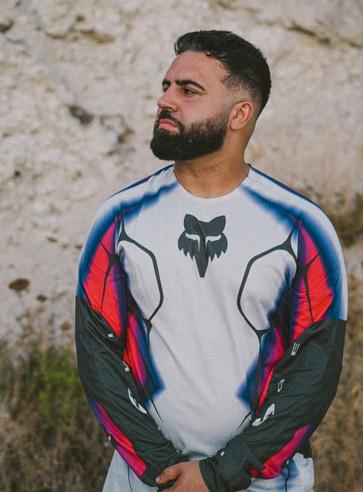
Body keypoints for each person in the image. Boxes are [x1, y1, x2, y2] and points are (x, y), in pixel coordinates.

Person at [75, 30, 347, 492]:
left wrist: (219, 475)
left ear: (240, 113)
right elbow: (98, 355)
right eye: (166, 86)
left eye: (188, 90)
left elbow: (314, 370)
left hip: (262, 482)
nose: (165, 100)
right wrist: (161, 468)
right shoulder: (119, 218)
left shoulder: (303, 227)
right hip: (144, 479)